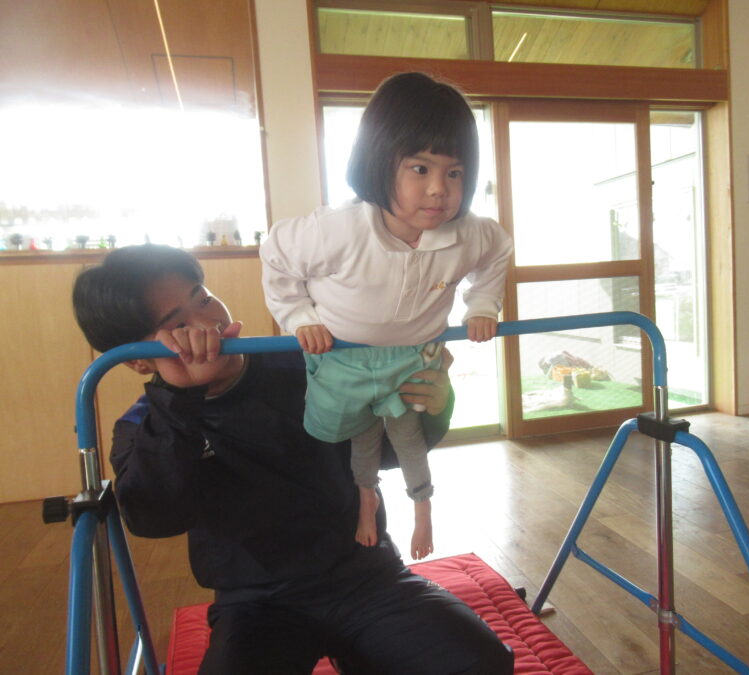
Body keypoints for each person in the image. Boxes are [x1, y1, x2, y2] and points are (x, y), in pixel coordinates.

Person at [72, 244, 514, 675]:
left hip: (367, 575)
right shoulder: (147, 424)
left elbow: (382, 454)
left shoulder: (308, 365)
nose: (209, 321)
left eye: (202, 298)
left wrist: (428, 408)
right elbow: (155, 518)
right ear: (139, 362)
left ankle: (363, 654)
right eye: (180, 325)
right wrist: (179, 400)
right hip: (256, 602)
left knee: (482, 664)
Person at [260, 72, 513, 560]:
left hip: (413, 357)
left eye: (454, 173)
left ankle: (422, 507)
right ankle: (366, 499)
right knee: (349, 436)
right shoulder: (337, 230)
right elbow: (276, 254)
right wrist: (298, 316)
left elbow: (499, 249)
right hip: (343, 358)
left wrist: (482, 305)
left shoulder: (469, 233)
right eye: (420, 168)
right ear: (378, 162)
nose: (438, 189)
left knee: (409, 438)